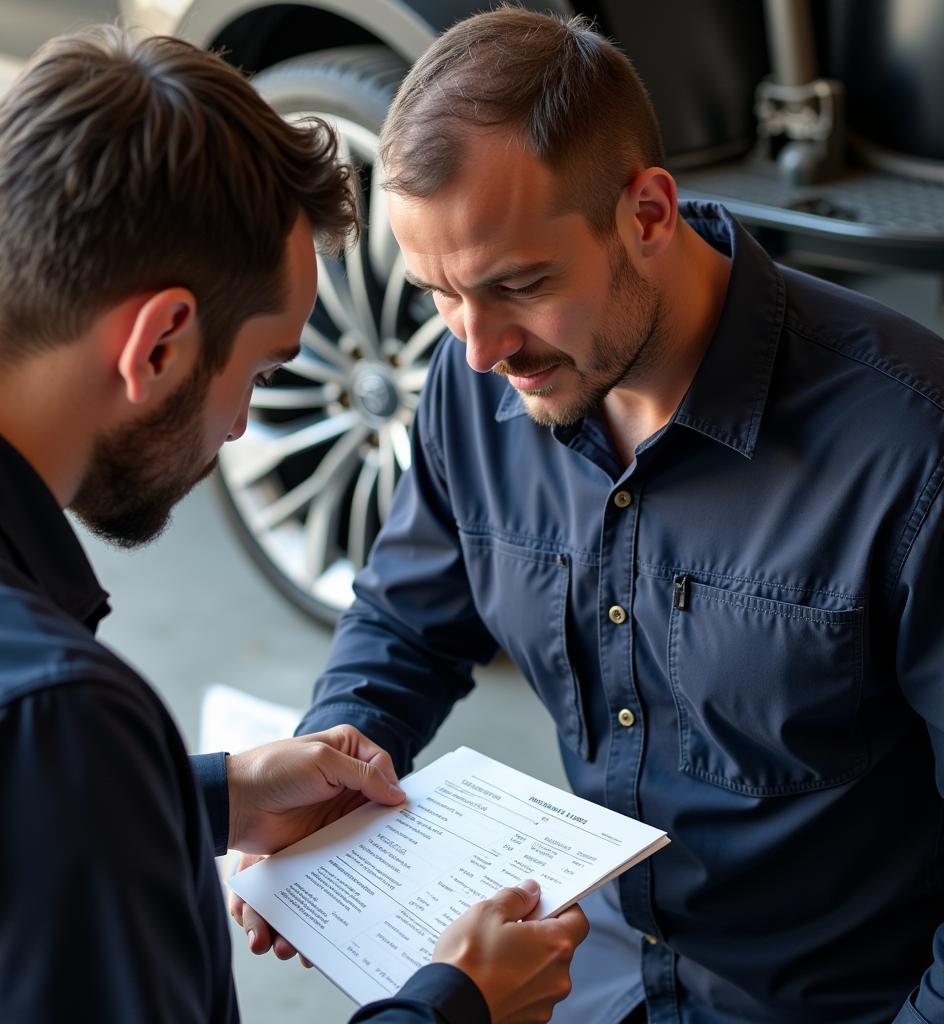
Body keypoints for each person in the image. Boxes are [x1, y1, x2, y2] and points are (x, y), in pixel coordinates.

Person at [231, 8, 944, 1024]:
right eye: (440, 294)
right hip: (586, 980)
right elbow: (404, 623)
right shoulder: (472, 385)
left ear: (648, 212)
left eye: (517, 285)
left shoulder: (911, 449)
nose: (478, 348)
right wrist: (337, 754)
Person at [0, 25, 590, 1024]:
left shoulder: (35, 736)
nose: (241, 426)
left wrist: (194, 794)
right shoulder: (49, 721)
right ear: (161, 343)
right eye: (264, 371)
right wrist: (455, 1007)